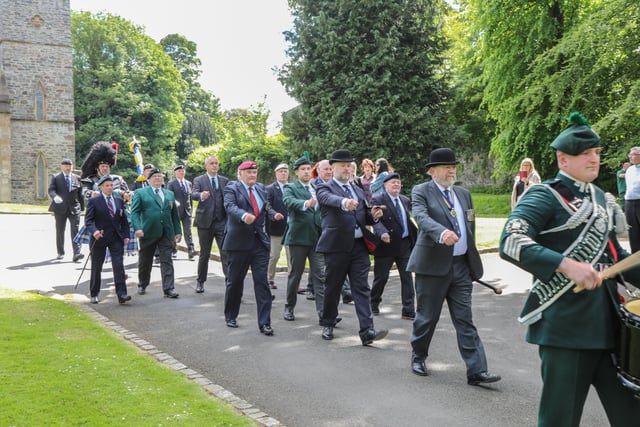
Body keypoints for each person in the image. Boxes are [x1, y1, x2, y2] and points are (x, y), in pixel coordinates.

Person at [499, 112, 640, 426]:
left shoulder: (602, 200)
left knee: (631, 416)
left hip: (612, 329)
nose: (594, 159)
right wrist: (565, 265)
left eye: (597, 152)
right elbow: (510, 240)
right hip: (566, 331)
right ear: (563, 160)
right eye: (585, 153)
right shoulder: (543, 196)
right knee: (559, 420)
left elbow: (617, 261)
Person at [407, 147, 500, 386]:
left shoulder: (463, 194)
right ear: (432, 171)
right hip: (432, 267)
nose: (452, 170)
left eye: (454, 166)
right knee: (427, 317)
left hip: (460, 267)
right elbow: (421, 217)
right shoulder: (421, 191)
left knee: (465, 318)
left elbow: (470, 227)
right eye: (447, 166)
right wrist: (441, 233)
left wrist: (470, 260)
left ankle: (477, 370)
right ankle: (418, 356)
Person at [316, 149, 387, 345]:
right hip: (336, 247)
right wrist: (344, 202)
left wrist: (374, 215)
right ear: (333, 168)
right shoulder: (324, 187)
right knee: (333, 287)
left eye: (349, 166)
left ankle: (367, 331)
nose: (347, 169)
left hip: (358, 247)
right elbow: (329, 200)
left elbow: (364, 214)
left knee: (362, 288)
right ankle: (328, 322)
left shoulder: (356, 188)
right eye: (342, 166)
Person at [222, 161, 280, 335]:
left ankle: (265, 323)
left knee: (262, 282)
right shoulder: (232, 188)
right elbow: (230, 206)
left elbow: (265, 206)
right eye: (248, 173)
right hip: (238, 243)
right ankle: (231, 315)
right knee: (235, 281)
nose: (252, 175)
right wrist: (243, 215)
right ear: (240, 174)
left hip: (259, 243)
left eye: (254, 172)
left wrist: (272, 214)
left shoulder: (261, 189)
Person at [282, 156, 325, 322]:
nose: (306, 172)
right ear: (297, 172)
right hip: (298, 239)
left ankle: (323, 314)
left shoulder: (317, 186)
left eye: (308, 169)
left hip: (317, 238)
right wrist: (305, 203)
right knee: (295, 274)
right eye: (303, 169)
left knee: (320, 276)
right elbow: (289, 202)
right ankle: (289, 307)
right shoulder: (290, 187)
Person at [370, 173, 417, 320]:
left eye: (398, 183)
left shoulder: (404, 200)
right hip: (386, 245)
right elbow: (375, 220)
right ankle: (373, 303)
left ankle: (408, 310)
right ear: (385, 185)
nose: (396, 185)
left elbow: (407, 220)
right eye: (392, 183)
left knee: (407, 277)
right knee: (381, 278)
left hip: (404, 245)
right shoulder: (378, 199)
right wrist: (382, 233)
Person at [130, 167, 182, 298]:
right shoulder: (140, 193)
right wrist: (137, 227)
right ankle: (142, 283)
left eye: (160, 176)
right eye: (155, 177)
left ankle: (169, 288)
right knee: (145, 260)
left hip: (166, 232)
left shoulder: (169, 194)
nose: (158, 178)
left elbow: (174, 215)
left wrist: (178, 231)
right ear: (149, 180)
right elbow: (134, 212)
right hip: (148, 231)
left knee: (167, 260)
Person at [84, 175, 131, 304]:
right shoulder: (94, 201)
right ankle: (94, 293)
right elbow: (88, 220)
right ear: (101, 187)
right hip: (99, 238)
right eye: (107, 186)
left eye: (111, 185)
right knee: (96, 267)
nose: (110, 188)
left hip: (115, 238)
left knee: (118, 266)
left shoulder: (119, 201)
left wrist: (126, 235)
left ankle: (122, 294)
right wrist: (94, 231)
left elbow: (124, 221)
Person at [192, 155, 229, 293]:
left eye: (216, 163)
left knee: (225, 253)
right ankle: (200, 281)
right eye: (212, 163)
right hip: (205, 223)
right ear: (206, 166)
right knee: (205, 254)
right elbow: (193, 194)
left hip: (221, 222)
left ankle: (230, 282)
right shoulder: (199, 180)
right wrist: (201, 195)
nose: (214, 166)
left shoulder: (224, 181)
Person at [48, 158, 84, 261]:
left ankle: (76, 253)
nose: (68, 168)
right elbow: (51, 189)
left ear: (72, 167)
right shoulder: (56, 177)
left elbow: (79, 194)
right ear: (62, 167)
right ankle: (60, 252)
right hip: (60, 208)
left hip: (74, 208)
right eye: (66, 166)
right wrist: (55, 196)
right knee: (60, 230)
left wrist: (82, 208)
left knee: (75, 230)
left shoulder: (77, 178)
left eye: (70, 166)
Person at [266, 163, 290, 289]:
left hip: (292, 228)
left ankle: (293, 283)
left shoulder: (292, 188)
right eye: (280, 171)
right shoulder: (270, 189)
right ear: (276, 174)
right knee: (274, 255)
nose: (283, 173)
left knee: (292, 257)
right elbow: (267, 205)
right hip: (276, 228)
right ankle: (269, 279)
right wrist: (274, 215)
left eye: (285, 171)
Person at [166, 165, 196, 260]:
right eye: (179, 171)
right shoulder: (171, 184)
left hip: (187, 211)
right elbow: (169, 197)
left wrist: (191, 210)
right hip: (176, 211)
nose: (181, 173)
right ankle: (174, 249)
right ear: (175, 173)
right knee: (175, 231)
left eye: (183, 171)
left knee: (188, 231)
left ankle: (191, 250)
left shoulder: (189, 183)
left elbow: (190, 198)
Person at [625, 147, 640, 253]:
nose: (630, 156)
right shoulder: (629, 170)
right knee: (632, 230)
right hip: (630, 203)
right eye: (630, 154)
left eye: (633, 154)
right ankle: (635, 255)